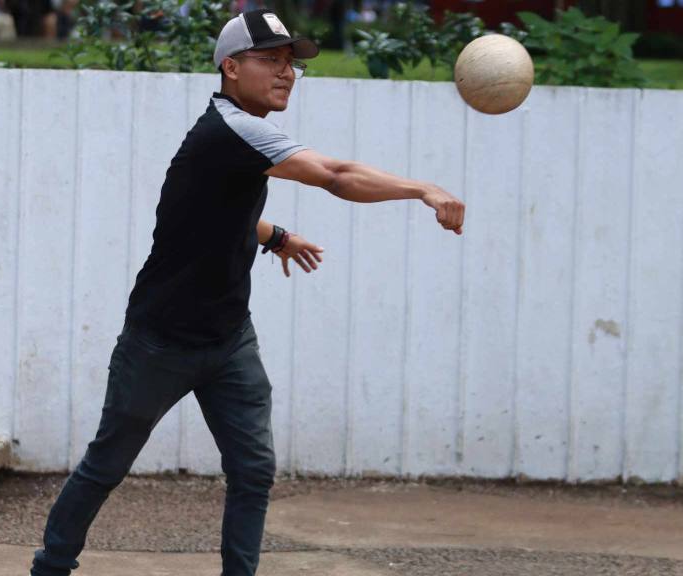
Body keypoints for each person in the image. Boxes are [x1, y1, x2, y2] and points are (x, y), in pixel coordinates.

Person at [29, 8, 465, 576]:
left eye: (291, 64)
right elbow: (334, 174)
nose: (286, 73)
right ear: (231, 67)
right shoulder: (235, 128)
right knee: (107, 464)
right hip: (161, 340)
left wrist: (276, 235)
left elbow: (213, 212)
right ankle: (51, 566)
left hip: (229, 338)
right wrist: (423, 189)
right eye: (271, 61)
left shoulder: (239, 136)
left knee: (253, 470)